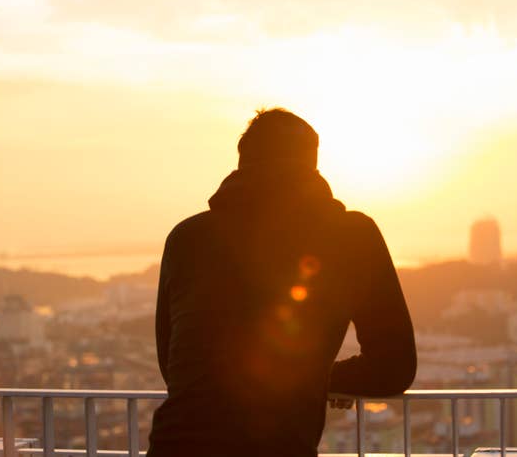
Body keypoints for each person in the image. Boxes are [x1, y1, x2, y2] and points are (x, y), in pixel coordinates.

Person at [147, 108, 417, 457]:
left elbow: (172, 363)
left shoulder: (187, 237)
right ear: (312, 164)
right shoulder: (351, 236)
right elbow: (393, 366)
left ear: (242, 162)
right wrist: (317, 376)